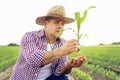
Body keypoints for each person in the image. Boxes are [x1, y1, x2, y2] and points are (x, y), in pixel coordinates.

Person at [10, 5, 86, 80]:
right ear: (46, 24)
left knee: (63, 78)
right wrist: (62, 50)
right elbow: (33, 59)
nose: (60, 26)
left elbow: (59, 70)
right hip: (24, 78)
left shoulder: (62, 42)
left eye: (62, 24)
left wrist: (69, 65)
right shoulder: (29, 36)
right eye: (56, 22)